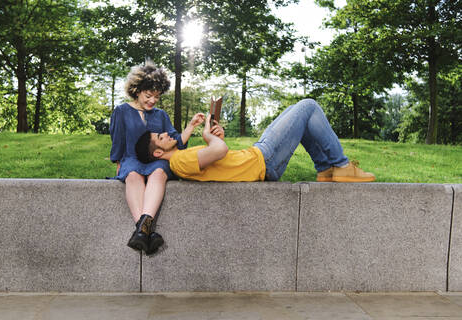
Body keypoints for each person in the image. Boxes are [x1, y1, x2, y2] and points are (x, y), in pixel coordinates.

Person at [135, 98, 375, 183]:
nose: (166, 134)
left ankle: (326, 171)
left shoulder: (183, 158)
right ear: (157, 153)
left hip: (259, 156)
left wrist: (217, 138)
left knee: (298, 113)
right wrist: (209, 136)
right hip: (263, 160)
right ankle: (341, 166)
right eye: (160, 137)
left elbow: (220, 154)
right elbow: (218, 151)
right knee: (308, 106)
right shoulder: (179, 162)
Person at [110, 61, 204, 255]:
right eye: (148, 95)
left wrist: (191, 126)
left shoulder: (161, 115)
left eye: (157, 97)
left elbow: (175, 140)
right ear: (137, 90)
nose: (152, 100)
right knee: (133, 175)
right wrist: (118, 163)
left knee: (159, 172)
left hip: (156, 160)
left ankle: (141, 231)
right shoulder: (121, 111)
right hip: (131, 158)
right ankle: (146, 231)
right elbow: (117, 140)